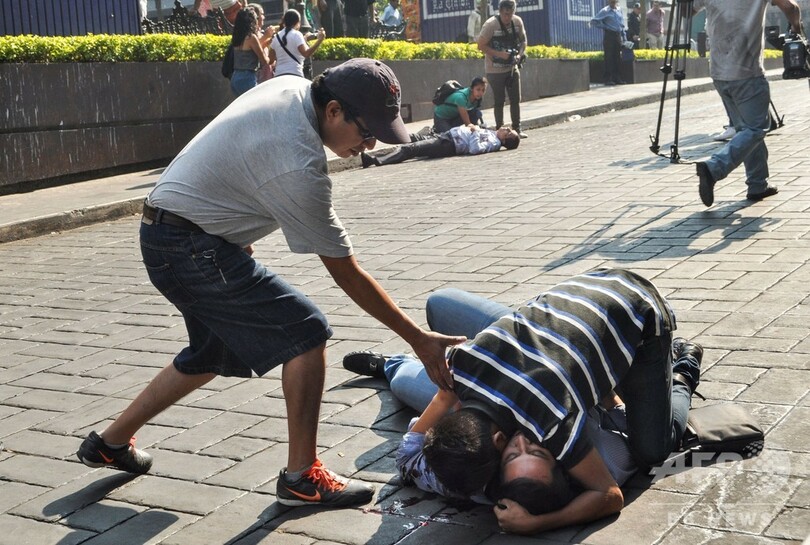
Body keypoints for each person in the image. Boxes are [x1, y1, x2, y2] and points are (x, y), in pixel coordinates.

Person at [75, 58, 466, 510]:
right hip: (187, 245)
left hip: (175, 232)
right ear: (334, 110)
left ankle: (109, 443)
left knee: (211, 353)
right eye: (366, 130)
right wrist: (417, 338)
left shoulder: (290, 87)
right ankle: (302, 478)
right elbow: (345, 272)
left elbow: (229, 150)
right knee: (305, 333)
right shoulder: (299, 163)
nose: (369, 143)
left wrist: (219, 223)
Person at [343, 282, 702, 534]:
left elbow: (610, 496)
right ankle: (393, 364)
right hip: (559, 319)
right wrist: (443, 385)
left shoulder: (548, 421)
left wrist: (537, 524)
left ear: (499, 441)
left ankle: (681, 370)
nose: (525, 443)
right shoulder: (461, 366)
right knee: (423, 346)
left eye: (513, 454)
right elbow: (419, 445)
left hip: (636, 307)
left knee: (654, 449)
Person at [694, 0, 802, 207]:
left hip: (719, 72)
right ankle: (713, 168)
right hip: (747, 72)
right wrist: (797, 29)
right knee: (756, 128)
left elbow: (685, 11)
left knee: (747, 130)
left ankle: (757, 185)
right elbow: (791, 8)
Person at [477, 0, 528, 138]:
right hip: (494, 70)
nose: (507, 17)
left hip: (512, 68)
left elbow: (524, 41)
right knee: (499, 100)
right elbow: (480, 45)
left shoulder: (517, 22)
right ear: (499, 11)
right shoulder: (490, 25)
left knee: (515, 99)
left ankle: (517, 128)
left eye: (510, 14)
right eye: (505, 14)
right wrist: (500, 54)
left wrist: (519, 54)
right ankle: (500, 130)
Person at [359, 125, 520, 168]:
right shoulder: (492, 133)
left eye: (508, 133)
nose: (506, 129)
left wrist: (475, 131)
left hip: (449, 144)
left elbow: (475, 149)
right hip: (447, 135)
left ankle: (374, 160)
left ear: (505, 141)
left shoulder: (494, 143)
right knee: (412, 138)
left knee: (412, 148)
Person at [229, 8, 274, 96]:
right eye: (256, 18)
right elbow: (264, 61)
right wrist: (272, 53)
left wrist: (267, 42)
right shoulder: (251, 37)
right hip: (247, 77)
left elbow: (250, 50)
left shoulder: (238, 37)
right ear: (252, 21)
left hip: (235, 77)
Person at [270, 9, 325, 78]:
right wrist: (319, 40)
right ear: (298, 22)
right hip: (295, 73)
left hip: (279, 74)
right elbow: (306, 53)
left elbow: (270, 60)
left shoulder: (276, 37)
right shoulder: (297, 35)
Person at [590, 0, 626, 86]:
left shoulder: (619, 10)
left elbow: (622, 24)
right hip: (609, 35)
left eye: (615, 2)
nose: (613, 3)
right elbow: (594, 21)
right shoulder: (605, 11)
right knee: (609, 57)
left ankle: (617, 78)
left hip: (618, 35)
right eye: (612, 2)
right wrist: (605, 27)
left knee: (617, 57)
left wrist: (624, 37)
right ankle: (608, 79)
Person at [248, 4, 275, 83]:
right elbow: (253, 48)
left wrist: (270, 40)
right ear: (255, 16)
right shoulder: (250, 33)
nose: (264, 17)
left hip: (267, 72)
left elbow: (261, 46)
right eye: (262, 14)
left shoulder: (260, 32)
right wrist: (266, 35)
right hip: (258, 74)